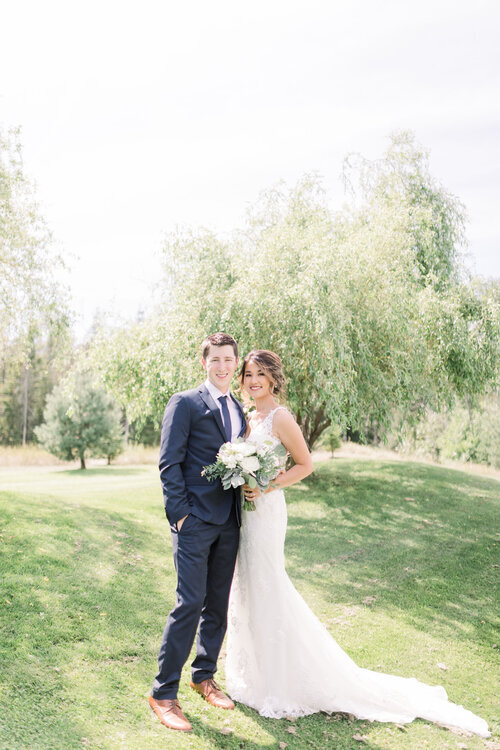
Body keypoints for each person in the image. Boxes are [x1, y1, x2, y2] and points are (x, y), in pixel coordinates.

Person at [225, 349, 490, 738]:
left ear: (274, 380)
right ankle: (253, 674)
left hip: (266, 513)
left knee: (268, 584)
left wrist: (266, 485)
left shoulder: (281, 417)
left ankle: (283, 680)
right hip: (244, 516)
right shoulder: (248, 417)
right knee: (246, 585)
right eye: (248, 374)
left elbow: (305, 464)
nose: (252, 381)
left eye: (260, 375)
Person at [149, 332, 246, 732]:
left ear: (236, 363)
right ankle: (162, 693)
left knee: (217, 604)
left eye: (229, 360)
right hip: (193, 522)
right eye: (216, 360)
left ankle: (203, 675)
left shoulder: (239, 408)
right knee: (189, 603)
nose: (223, 366)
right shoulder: (186, 403)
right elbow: (169, 463)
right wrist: (181, 517)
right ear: (204, 363)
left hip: (230, 522)